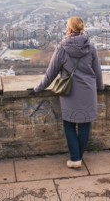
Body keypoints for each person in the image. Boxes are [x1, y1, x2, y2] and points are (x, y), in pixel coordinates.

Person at [30, 17, 105, 168]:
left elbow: (50, 74)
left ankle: (76, 158)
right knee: (85, 125)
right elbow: (98, 72)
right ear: (81, 28)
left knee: (69, 124)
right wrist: (101, 87)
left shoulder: (62, 48)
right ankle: (78, 156)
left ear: (69, 29)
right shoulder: (91, 48)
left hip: (69, 92)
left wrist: (37, 89)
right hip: (88, 91)